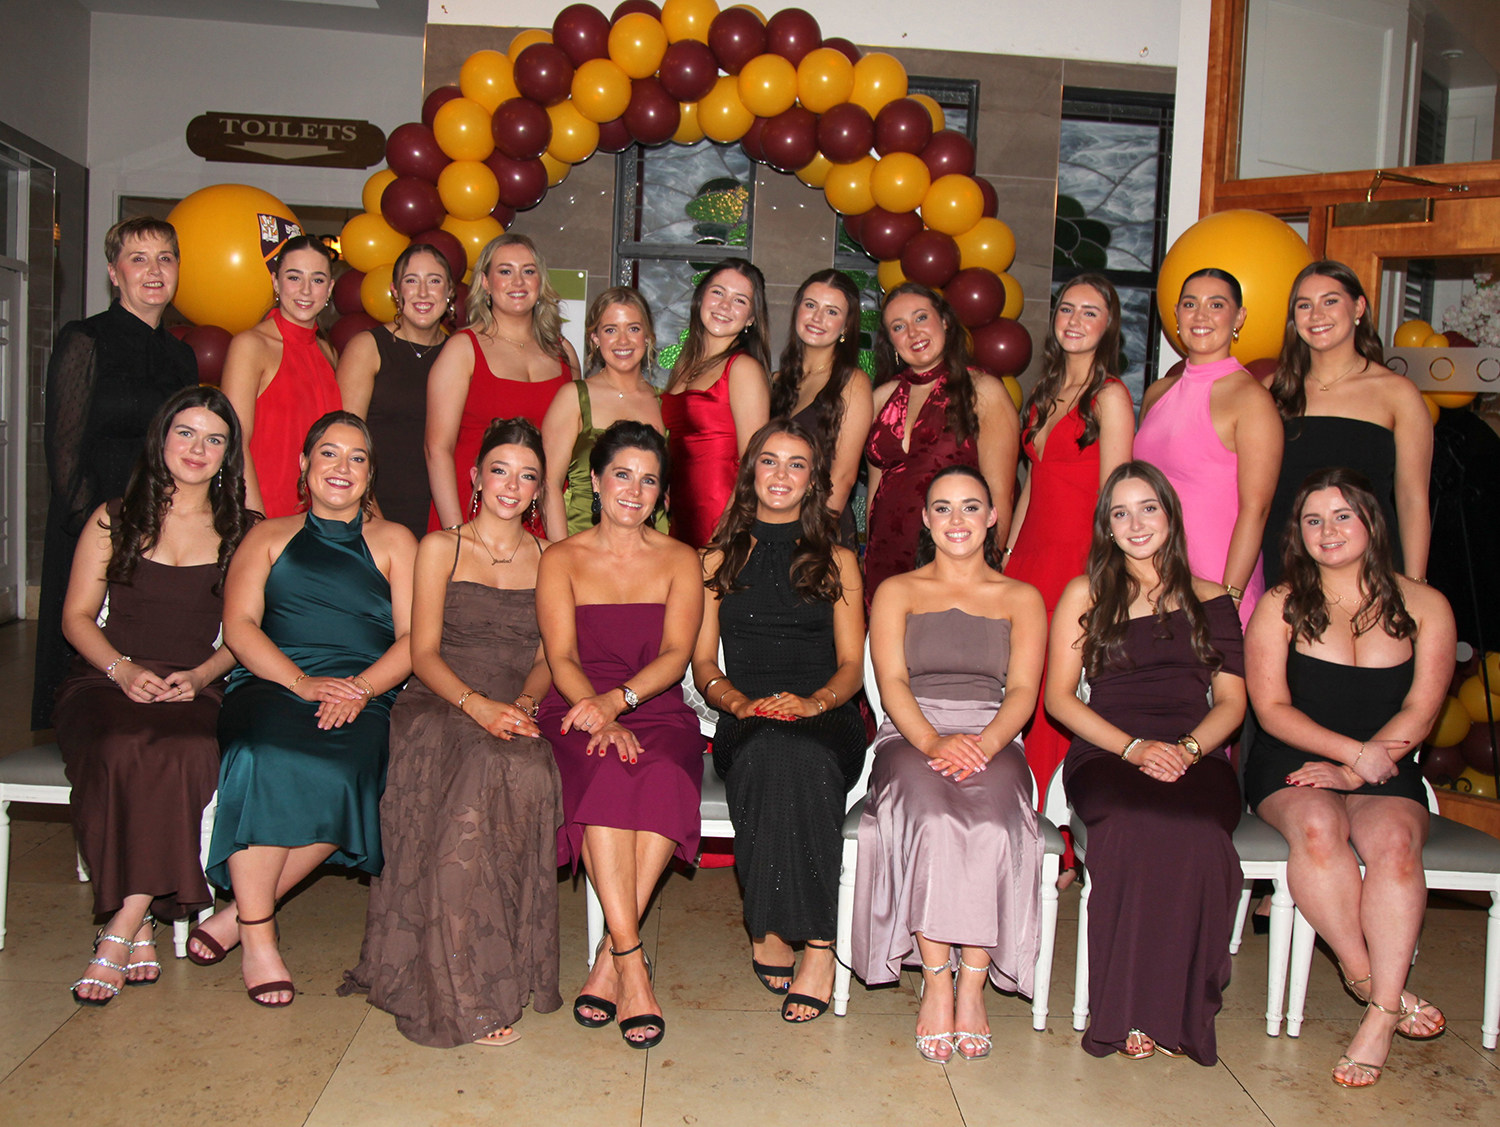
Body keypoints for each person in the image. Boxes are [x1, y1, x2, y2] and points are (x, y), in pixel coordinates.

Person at [343, 418, 562, 1048]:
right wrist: (478, 707)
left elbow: (550, 655)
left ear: (539, 488)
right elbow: (422, 651)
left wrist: (520, 701)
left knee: (525, 768)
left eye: (527, 476)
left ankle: (504, 972)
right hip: (441, 702)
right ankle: (465, 992)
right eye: (501, 470)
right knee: (486, 768)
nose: (512, 486)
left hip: (512, 705)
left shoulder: (548, 556)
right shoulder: (440, 547)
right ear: (475, 477)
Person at [189, 412, 417, 1007]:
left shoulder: (396, 542)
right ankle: (260, 938)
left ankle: (238, 914)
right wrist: (300, 682)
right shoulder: (266, 536)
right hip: (270, 683)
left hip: (365, 690)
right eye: (329, 455)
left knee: (351, 772)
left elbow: (418, 638)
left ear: (371, 474)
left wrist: (361, 688)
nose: (342, 468)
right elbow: (238, 627)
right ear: (304, 465)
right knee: (265, 755)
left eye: (357, 458)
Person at [1244, 468, 1453, 1088]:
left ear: (1371, 521)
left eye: (1341, 516)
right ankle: (1368, 979)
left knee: (1393, 845)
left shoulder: (1426, 604)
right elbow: (1271, 707)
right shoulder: (1280, 604)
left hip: (1389, 764)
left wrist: (1362, 765)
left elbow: (1423, 709)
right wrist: (1344, 757)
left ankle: (1381, 1016)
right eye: (1312, 520)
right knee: (1315, 827)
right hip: (1292, 759)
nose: (1326, 531)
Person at [56, 386, 254, 1005]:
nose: (198, 449)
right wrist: (120, 670)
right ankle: (132, 922)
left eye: (214, 439)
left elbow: (250, 631)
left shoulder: (244, 531)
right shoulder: (114, 516)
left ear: (228, 455)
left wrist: (199, 677)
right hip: (105, 679)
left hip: (198, 684)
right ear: (161, 439)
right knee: (119, 744)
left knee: (189, 752)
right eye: (186, 433)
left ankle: (124, 920)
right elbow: (77, 617)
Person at [1047, 461, 1247, 1065]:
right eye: (1120, 512)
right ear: (1106, 527)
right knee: (1133, 825)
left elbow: (1233, 701)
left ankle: (1177, 1010)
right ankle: (1126, 1008)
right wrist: (1133, 749)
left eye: (1148, 508)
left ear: (1171, 514)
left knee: (1198, 833)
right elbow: (1058, 697)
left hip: (1196, 750)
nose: (1135, 524)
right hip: (1109, 749)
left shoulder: (1214, 598)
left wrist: (1187, 750)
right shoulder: (1086, 593)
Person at [853, 464, 1047, 1063]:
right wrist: (934, 742)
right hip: (911, 734)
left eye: (970, 507)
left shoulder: (1022, 598)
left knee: (994, 825)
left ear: (993, 517)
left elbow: (1021, 692)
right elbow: (891, 682)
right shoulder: (898, 591)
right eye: (942, 508)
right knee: (933, 821)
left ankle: (974, 984)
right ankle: (937, 981)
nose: (956, 520)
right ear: (926, 519)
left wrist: (985, 745)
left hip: (995, 736)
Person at [534, 421, 704, 1049]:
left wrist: (621, 702)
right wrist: (596, 709)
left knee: (661, 775)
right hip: (576, 706)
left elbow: (676, 654)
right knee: (604, 772)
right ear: (597, 481)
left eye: (649, 480)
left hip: (653, 706)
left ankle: (610, 957)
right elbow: (561, 655)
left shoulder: (680, 559)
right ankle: (634, 965)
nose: (634, 489)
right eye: (622, 474)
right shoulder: (562, 558)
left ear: (661, 495)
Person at [692, 420, 866, 1023]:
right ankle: (773, 920)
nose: (782, 476)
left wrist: (815, 702)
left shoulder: (839, 558)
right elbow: (702, 662)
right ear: (750, 473)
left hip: (828, 715)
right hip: (745, 715)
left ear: (813, 481)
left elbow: (851, 666)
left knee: (802, 756)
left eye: (797, 465)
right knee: (770, 751)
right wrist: (735, 702)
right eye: (770, 462)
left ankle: (815, 944)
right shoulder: (716, 557)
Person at [34, 216, 199, 729]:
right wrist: (106, 529)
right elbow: (63, 451)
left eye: (165, 258)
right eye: (138, 258)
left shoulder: (182, 355)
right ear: (114, 272)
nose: (154, 270)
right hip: (94, 518)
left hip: (161, 519)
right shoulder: (85, 339)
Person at [1004, 275, 1134, 854]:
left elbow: (1118, 496)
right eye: (1066, 308)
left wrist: (1106, 575)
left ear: (1109, 326)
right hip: (1027, 559)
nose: (1075, 319)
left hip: (1079, 562)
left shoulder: (1110, 397)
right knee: (1018, 685)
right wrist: (1006, 551)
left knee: (1060, 690)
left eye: (1091, 311)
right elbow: (1033, 480)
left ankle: (1048, 834)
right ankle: (1010, 816)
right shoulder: (1043, 390)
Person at [1261, 261, 1432, 587]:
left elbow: (1413, 499)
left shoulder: (1399, 394)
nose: (1316, 315)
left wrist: (1414, 583)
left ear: (1358, 307)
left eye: (1330, 301)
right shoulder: (1272, 390)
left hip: (1370, 570)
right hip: (1286, 567)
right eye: (1304, 305)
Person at [1135, 268, 1282, 627]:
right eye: (1190, 304)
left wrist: (1226, 600)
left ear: (1239, 317)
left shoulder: (1251, 400)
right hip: (1150, 579)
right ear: (1176, 314)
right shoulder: (1157, 393)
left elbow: (1256, 510)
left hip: (1216, 583)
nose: (1200, 316)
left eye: (1216, 304)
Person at [863, 283, 1019, 604]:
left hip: (952, 565)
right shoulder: (879, 399)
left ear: (945, 321)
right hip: (883, 566)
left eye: (921, 318)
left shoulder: (984, 391)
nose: (912, 332)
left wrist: (985, 576)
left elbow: (1000, 498)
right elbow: (874, 496)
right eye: (898, 326)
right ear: (890, 340)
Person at [425, 233, 579, 532]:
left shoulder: (564, 352)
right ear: (485, 282)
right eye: (505, 271)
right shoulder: (463, 349)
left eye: (529, 271)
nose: (518, 282)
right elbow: (437, 449)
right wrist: (456, 535)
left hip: (541, 518)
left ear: (541, 281)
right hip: (470, 513)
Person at [336, 243, 456, 538]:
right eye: (411, 280)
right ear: (395, 291)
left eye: (435, 281)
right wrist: (373, 519)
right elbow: (343, 443)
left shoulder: (460, 352)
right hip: (373, 513)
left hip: (441, 517)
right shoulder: (367, 348)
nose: (424, 292)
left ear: (450, 291)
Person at [221, 235, 342, 519]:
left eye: (317, 279)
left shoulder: (328, 353)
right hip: (265, 515)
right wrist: (255, 524)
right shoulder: (250, 346)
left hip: (321, 518)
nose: (305, 290)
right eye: (294, 277)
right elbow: (235, 443)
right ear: (276, 282)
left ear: (330, 289)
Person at [659, 259, 772, 547]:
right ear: (700, 299)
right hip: (681, 514)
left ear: (751, 318)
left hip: (721, 515)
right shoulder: (685, 365)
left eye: (740, 300)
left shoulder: (743, 369)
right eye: (718, 292)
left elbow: (754, 462)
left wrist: (727, 529)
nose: (725, 305)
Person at [540, 286, 667, 537]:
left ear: (648, 337)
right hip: (581, 544)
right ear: (595, 339)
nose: (623, 341)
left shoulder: (665, 402)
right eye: (611, 330)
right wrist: (560, 554)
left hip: (653, 548)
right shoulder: (573, 397)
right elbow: (549, 485)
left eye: (633, 328)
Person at [768, 270, 875, 546]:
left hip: (819, 533)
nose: (817, 318)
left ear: (847, 326)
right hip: (771, 522)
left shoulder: (853, 383)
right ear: (797, 311)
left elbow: (844, 476)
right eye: (811, 305)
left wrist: (806, 541)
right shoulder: (777, 381)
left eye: (832, 311)